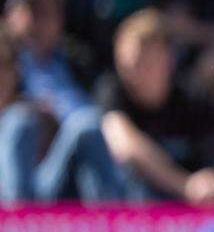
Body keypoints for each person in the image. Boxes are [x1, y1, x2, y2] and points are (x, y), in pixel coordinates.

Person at [98, 8, 214, 204]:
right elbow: (124, 145)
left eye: (148, 59)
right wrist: (184, 185)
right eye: (129, 60)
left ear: (169, 59)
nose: (135, 68)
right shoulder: (112, 91)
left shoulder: (190, 93)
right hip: (143, 202)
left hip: (202, 201)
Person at [0, 27, 123, 202]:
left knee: (86, 125)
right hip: (10, 204)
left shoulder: (30, 110)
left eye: (4, 63)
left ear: (17, 69)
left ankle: (111, 223)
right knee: (17, 123)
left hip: (42, 198)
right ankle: (17, 220)